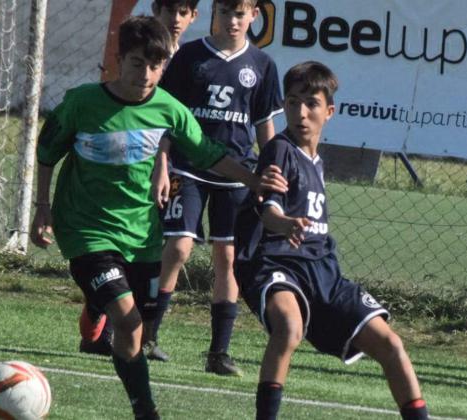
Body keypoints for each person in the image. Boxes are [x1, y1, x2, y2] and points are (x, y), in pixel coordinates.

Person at [31, 16, 286, 419]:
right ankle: (145, 410)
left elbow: (209, 154)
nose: (146, 75)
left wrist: (254, 181)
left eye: (155, 66)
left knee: (142, 328)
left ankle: (99, 310)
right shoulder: (82, 103)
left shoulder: (170, 110)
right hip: (87, 231)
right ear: (119, 60)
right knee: (129, 323)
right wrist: (41, 208)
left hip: (143, 236)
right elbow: (46, 153)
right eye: (137, 64)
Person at [233, 61, 429, 420]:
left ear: (330, 111)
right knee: (289, 328)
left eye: (311, 104)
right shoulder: (279, 150)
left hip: (325, 274)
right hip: (276, 265)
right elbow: (268, 211)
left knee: (391, 345)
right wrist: (286, 223)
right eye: (292, 102)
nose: (301, 113)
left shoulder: (316, 161)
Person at [150, 0, 284, 373]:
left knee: (228, 258)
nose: (232, 21)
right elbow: (167, 118)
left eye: (240, 14)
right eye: (225, 13)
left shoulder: (261, 65)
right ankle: (148, 335)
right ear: (213, 14)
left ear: (254, 16)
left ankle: (218, 354)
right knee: (178, 248)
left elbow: (264, 127)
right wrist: (162, 162)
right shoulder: (192, 57)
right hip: (188, 166)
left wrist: (267, 174)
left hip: (237, 173)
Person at [77, 0, 202, 359]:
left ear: (194, 16)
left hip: (184, 165)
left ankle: (147, 335)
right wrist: (160, 160)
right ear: (154, 12)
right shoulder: (142, 50)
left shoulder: (194, 56)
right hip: (144, 166)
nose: (174, 20)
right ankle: (104, 316)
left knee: (169, 249)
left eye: (183, 12)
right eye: (167, 12)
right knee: (125, 248)